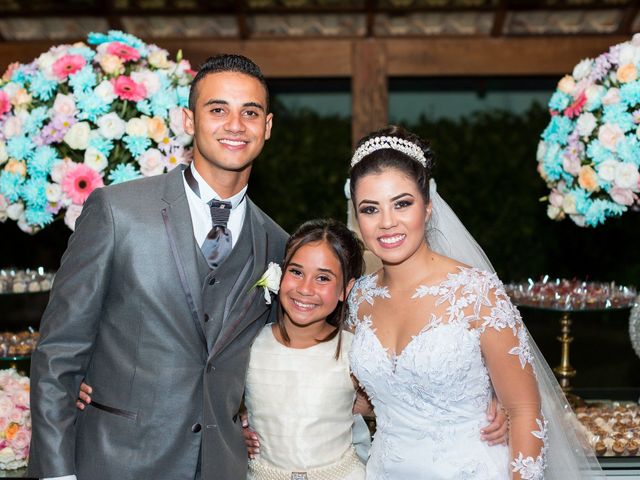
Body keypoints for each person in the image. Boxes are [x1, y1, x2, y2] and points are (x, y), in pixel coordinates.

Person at [27, 54, 288, 480]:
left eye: (250, 113)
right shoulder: (117, 211)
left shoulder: (276, 242)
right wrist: (57, 474)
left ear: (268, 127)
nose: (235, 125)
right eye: (218, 109)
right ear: (189, 120)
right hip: (115, 461)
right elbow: (59, 352)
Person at [346, 125, 604, 479]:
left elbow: (526, 410)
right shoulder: (359, 298)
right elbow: (364, 397)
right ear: (358, 218)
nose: (387, 222)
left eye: (402, 203)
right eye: (370, 209)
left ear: (428, 207)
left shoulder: (476, 292)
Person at [78, 218, 369, 479]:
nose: (305, 289)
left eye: (323, 278)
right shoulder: (250, 342)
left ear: (345, 289)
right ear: (279, 275)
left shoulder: (354, 351)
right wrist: (228, 435)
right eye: (296, 271)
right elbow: (198, 390)